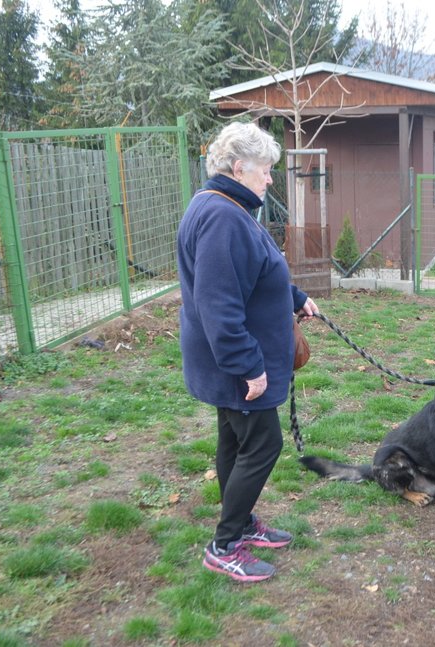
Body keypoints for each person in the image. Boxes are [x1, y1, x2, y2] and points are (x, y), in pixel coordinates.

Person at [176, 121, 319, 582]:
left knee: (234, 442)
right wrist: (249, 367)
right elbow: (219, 303)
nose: (271, 179)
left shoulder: (223, 206)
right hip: (234, 360)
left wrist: (293, 296)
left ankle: (240, 522)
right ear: (239, 168)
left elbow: (253, 271)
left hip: (224, 359)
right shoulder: (223, 217)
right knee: (263, 444)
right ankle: (224, 544)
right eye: (265, 170)